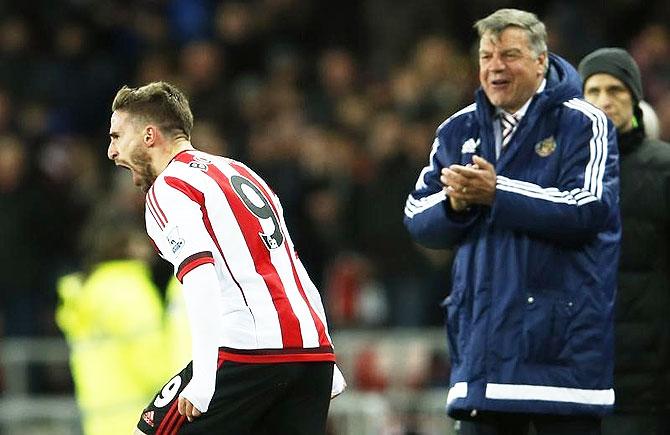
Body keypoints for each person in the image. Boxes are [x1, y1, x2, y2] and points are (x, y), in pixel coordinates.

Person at [403, 8, 620, 435]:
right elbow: (415, 216)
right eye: (486, 56)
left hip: (561, 364)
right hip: (482, 361)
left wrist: (496, 193)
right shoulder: (457, 129)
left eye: (510, 54)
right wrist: (456, 205)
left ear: (541, 61)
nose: (495, 66)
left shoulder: (584, 122)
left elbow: (588, 207)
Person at [106, 81, 344, 435]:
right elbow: (288, 265)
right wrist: (325, 355)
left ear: (149, 136)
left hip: (248, 352)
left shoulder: (169, 188)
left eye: (116, 137)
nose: (111, 151)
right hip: (312, 354)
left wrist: (203, 380)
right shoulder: (241, 172)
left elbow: (201, 277)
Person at [578, 47, 670, 435]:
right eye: (593, 90)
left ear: (634, 98)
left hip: (650, 378)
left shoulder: (664, 168)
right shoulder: (561, 169)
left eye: (615, 90)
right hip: (577, 375)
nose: (604, 100)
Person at [56, 209, 176, 435]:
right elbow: (155, 368)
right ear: (127, 244)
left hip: (99, 423)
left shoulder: (88, 291)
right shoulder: (131, 292)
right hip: (139, 421)